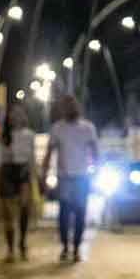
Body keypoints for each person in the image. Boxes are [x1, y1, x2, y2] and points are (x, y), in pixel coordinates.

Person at [43, 94, 99, 262]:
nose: (71, 108)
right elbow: (49, 153)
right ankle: (65, 247)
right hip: (64, 177)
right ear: (63, 110)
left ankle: (76, 248)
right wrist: (43, 174)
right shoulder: (57, 128)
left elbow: (95, 151)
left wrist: (95, 170)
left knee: (81, 214)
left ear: (78, 108)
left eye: (73, 105)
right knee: (64, 214)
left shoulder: (88, 127)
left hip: (82, 177)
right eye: (67, 106)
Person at [0, 104, 36, 262]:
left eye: (19, 113)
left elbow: (32, 158)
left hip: (23, 171)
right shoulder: (3, 135)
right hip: (6, 171)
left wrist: (36, 176)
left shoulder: (29, 134)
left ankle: (23, 243)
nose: (15, 117)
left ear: (24, 116)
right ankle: (10, 249)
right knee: (8, 214)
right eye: (12, 114)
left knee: (24, 209)